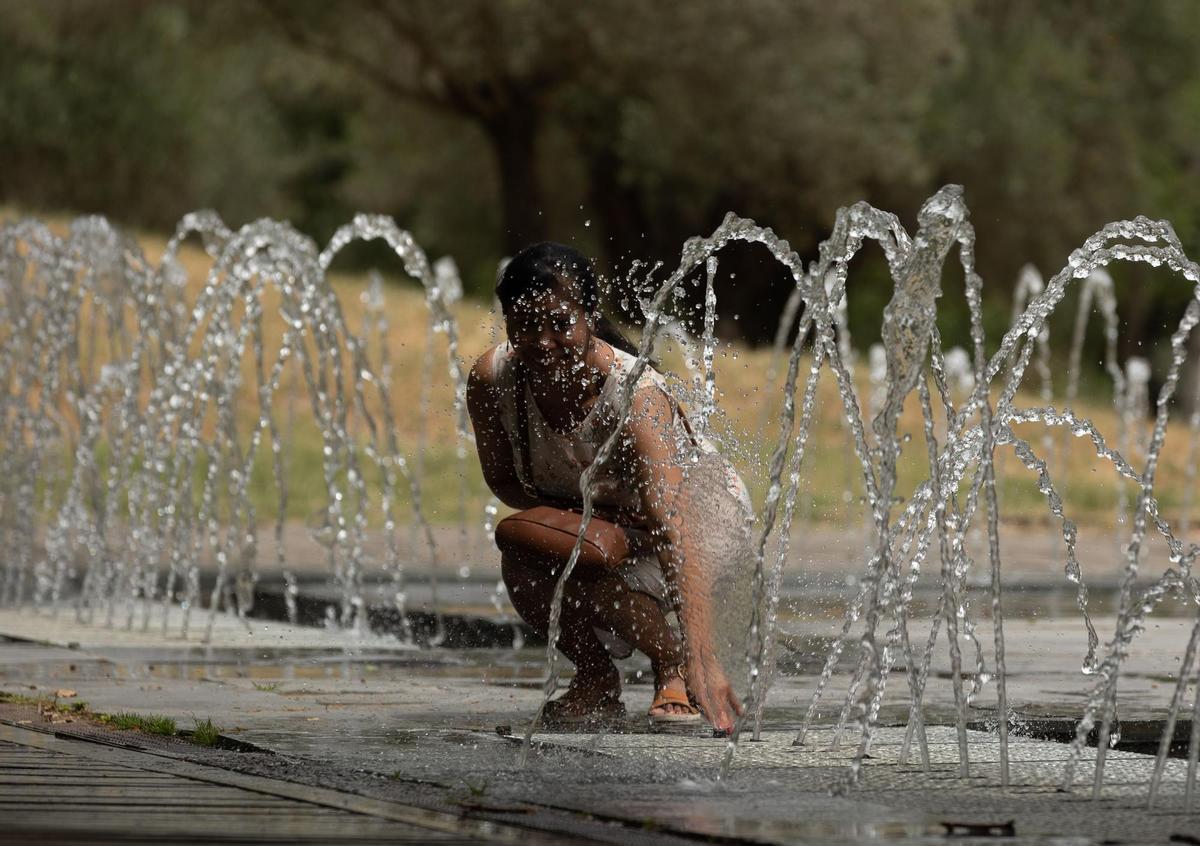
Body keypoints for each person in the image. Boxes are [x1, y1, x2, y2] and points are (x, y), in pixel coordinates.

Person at [466, 242, 751, 732]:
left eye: (560, 322)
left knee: (589, 556)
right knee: (525, 547)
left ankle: (678, 665)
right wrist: (597, 519)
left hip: (700, 516)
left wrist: (707, 660)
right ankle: (596, 678)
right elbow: (508, 486)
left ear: (589, 315)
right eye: (526, 324)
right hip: (610, 517)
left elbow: (671, 524)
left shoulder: (635, 394)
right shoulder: (494, 379)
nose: (542, 340)